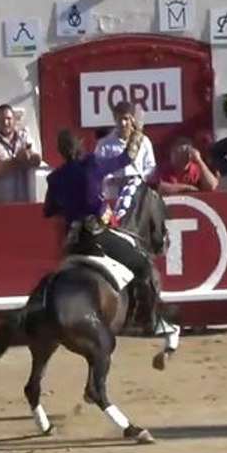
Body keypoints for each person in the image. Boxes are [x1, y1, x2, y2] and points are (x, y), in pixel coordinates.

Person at [46, 129, 161, 335]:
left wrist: (70, 206)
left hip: (73, 242)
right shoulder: (93, 164)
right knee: (143, 264)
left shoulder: (55, 178)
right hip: (97, 235)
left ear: (60, 152)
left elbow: (49, 210)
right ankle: (149, 320)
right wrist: (137, 133)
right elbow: (127, 158)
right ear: (80, 146)